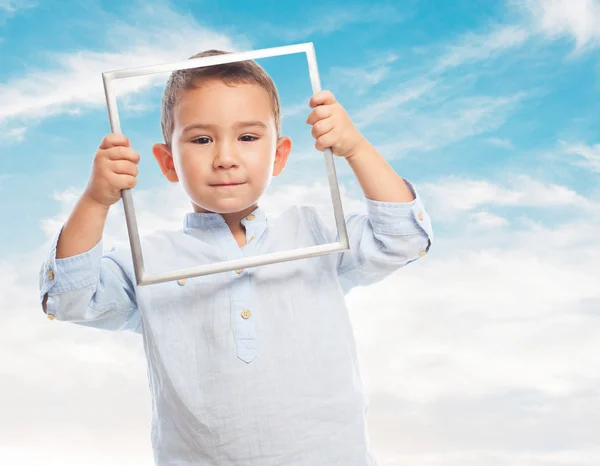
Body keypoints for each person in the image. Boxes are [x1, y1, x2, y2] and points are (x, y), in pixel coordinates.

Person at [38, 49, 433, 466]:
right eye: (201, 139)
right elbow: (67, 297)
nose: (225, 157)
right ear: (168, 162)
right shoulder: (149, 257)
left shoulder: (314, 231)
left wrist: (355, 148)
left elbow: (405, 237)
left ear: (278, 155)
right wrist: (96, 200)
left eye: (247, 137)